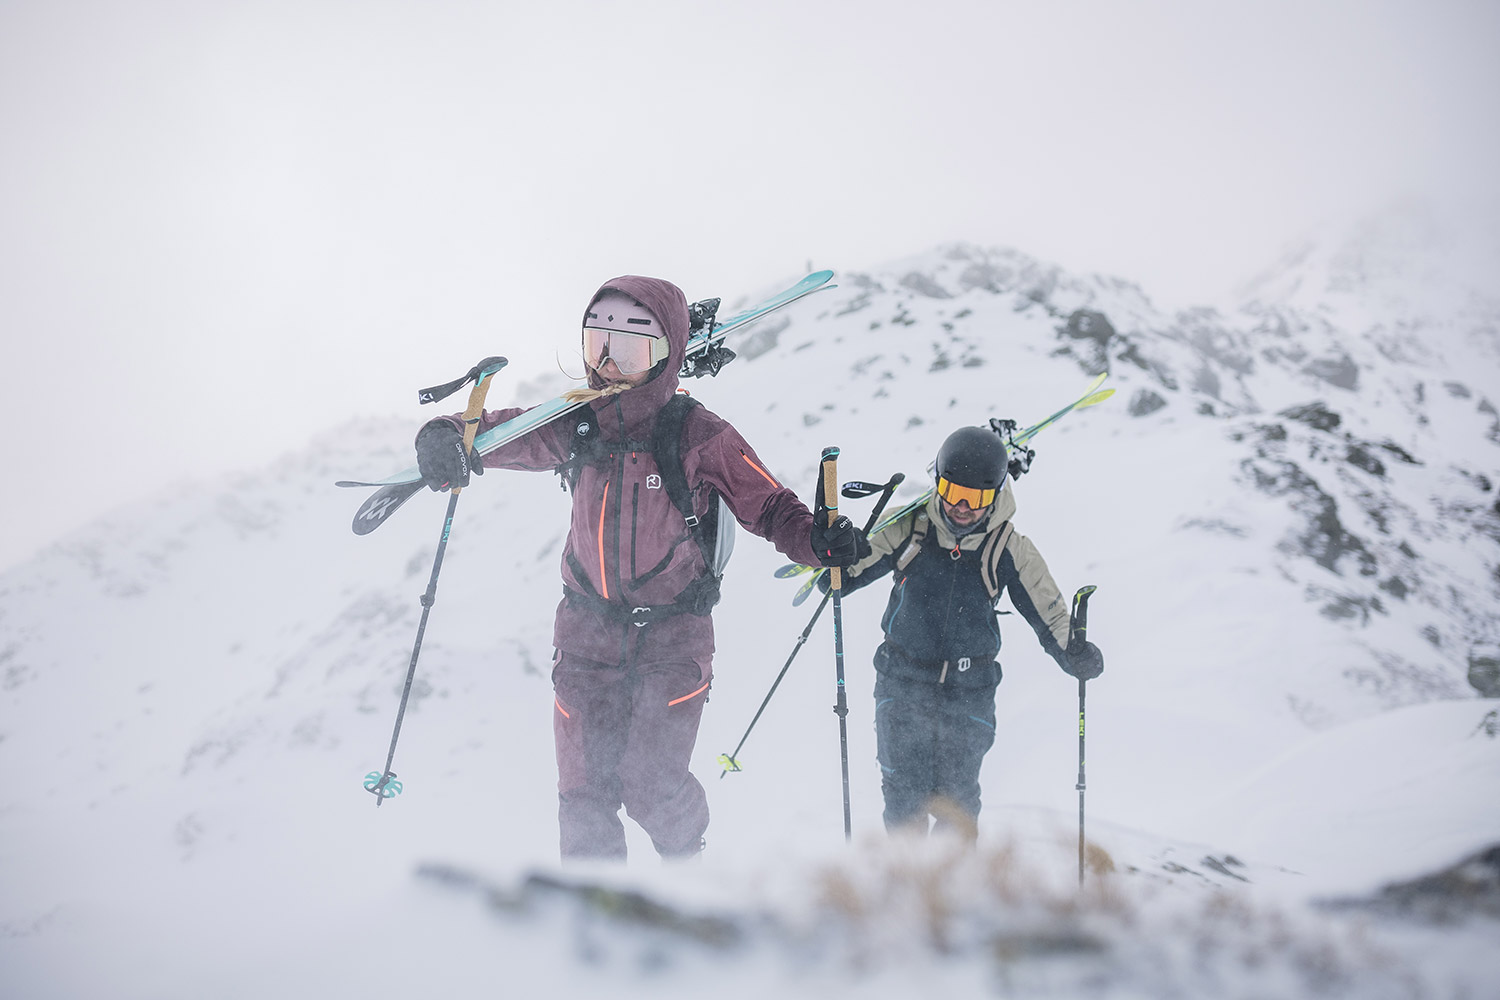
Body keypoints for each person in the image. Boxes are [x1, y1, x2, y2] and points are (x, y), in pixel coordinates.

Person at [413, 275, 866, 860]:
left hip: (672, 637)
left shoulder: (698, 434)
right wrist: (446, 435)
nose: (608, 362)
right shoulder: (577, 421)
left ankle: (689, 874)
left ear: (668, 352)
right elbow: (499, 434)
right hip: (584, 634)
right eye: (596, 343)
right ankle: (593, 925)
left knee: (651, 786)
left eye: (630, 347)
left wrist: (817, 540)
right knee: (583, 794)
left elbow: (771, 506)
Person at [828, 425, 1104, 837]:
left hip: (969, 691)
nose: (961, 506)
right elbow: (846, 574)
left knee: (957, 805)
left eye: (975, 498)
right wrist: (835, 554)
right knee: (904, 800)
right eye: (952, 491)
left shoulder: (1008, 547)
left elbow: (1050, 612)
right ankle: (902, 893)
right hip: (902, 683)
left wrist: (1072, 651)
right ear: (938, 483)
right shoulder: (910, 528)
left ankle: (951, 894)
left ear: (994, 496)